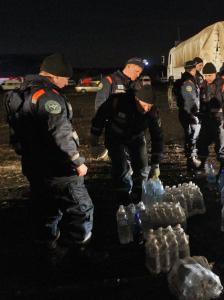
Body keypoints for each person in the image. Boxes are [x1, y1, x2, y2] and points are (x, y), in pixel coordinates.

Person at [7, 53, 100, 265]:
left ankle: (47, 249)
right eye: (65, 77)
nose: (68, 82)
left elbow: (17, 134)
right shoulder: (49, 98)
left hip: (34, 165)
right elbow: (61, 134)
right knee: (81, 207)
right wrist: (77, 162)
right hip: (58, 166)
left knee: (46, 207)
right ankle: (80, 250)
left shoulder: (19, 95)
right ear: (55, 75)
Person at [90, 84, 163, 204]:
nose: (146, 109)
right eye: (144, 105)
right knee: (121, 166)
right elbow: (99, 119)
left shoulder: (152, 113)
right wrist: (94, 142)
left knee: (142, 167)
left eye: (149, 106)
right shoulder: (118, 101)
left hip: (136, 136)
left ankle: (139, 193)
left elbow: (158, 136)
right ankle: (123, 197)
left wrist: (156, 163)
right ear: (136, 99)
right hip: (115, 136)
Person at [93, 57, 145, 160]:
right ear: (129, 67)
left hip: (133, 131)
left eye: (140, 72)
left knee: (136, 162)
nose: (138, 74)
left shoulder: (137, 84)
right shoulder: (109, 81)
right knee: (121, 165)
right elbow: (100, 106)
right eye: (137, 71)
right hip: (115, 131)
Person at [197, 63, 224, 172]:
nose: (207, 78)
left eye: (209, 75)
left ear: (215, 74)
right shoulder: (203, 85)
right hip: (206, 120)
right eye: (205, 75)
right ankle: (201, 166)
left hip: (220, 120)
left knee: (221, 146)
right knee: (201, 143)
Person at [178, 60, 202, 170]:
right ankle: (191, 159)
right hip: (190, 114)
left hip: (186, 113)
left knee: (190, 136)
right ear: (193, 69)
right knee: (193, 136)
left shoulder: (187, 79)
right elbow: (189, 99)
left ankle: (191, 157)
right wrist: (194, 113)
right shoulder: (188, 82)